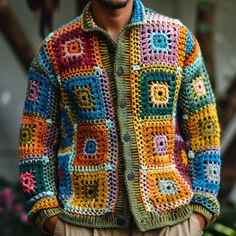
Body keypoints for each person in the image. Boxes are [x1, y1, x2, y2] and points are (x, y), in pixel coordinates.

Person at [18, 0, 221, 235]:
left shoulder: (177, 39)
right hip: (84, 223)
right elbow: (35, 139)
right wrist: (48, 214)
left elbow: (203, 128)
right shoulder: (56, 49)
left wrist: (200, 212)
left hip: (171, 221)